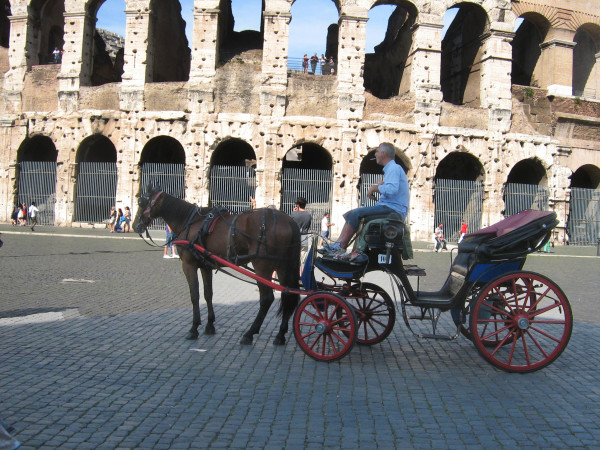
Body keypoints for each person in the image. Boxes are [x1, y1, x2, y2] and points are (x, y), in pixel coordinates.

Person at [321, 143, 409, 256]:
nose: (375, 154)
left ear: (384, 153)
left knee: (355, 213)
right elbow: (391, 191)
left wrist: (375, 188)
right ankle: (339, 244)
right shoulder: (391, 169)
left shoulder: (394, 168)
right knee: (353, 214)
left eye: (377, 151)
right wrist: (381, 188)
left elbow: (392, 189)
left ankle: (340, 246)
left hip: (393, 210)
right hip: (391, 208)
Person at [290, 196, 312, 267]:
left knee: (294, 262)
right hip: (305, 239)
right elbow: (308, 226)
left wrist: (294, 212)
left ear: (298, 205)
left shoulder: (294, 214)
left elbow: (290, 225)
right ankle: (301, 277)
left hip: (295, 239)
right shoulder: (308, 215)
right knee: (301, 264)